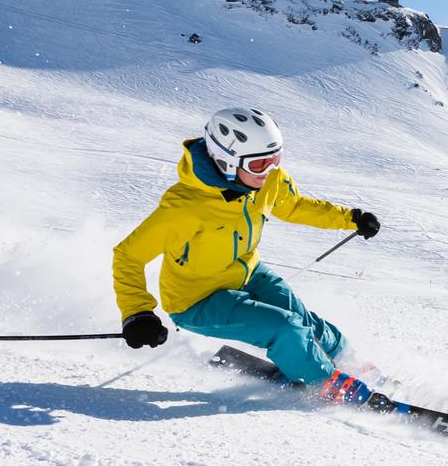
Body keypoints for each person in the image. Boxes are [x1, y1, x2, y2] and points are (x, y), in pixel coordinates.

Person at [112, 108, 383, 404]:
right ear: (226, 161)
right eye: (259, 164)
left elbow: (293, 206)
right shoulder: (185, 208)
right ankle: (326, 384)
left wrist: (350, 218)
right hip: (197, 300)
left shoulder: (267, 180)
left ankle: (350, 363)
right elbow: (128, 255)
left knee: (304, 320)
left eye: (275, 159)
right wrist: (137, 313)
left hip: (248, 273)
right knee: (285, 327)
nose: (269, 170)